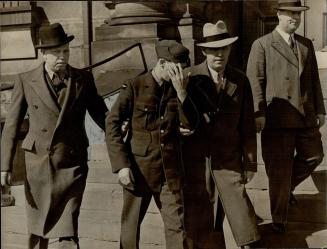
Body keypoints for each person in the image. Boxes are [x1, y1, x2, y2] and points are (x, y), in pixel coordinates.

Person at [0, 23, 108, 249]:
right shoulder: (25, 79)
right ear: (43, 53)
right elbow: (11, 125)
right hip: (38, 162)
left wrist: (120, 129)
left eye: (65, 51)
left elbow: (100, 113)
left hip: (72, 163)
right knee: (38, 228)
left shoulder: (83, 79)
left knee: (68, 224)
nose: (62, 56)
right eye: (56, 52)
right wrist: (4, 167)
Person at [105, 40, 198, 249]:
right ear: (162, 63)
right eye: (177, 69)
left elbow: (191, 123)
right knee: (131, 227)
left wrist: (182, 93)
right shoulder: (134, 86)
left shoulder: (181, 87)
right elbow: (112, 124)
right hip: (139, 169)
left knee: (177, 226)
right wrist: (121, 165)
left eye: (183, 70)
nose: (181, 75)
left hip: (170, 170)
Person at [246, 0, 326, 234]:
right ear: (279, 14)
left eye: (298, 14)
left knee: (315, 156)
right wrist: (258, 113)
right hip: (277, 118)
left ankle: (285, 188)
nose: (295, 18)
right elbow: (255, 81)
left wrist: (320, 109)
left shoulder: (306, 45)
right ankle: (279, 221)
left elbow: (313, 82)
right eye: (290, 14)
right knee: (278, 170)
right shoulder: (262, 45)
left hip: (305, 117)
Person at [184, 20, 261, 248]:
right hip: (199, 162)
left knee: (243, 217)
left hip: (230, 160)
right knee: (204, 219)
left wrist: (250, 164)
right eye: (214, 50)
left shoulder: (240, 80)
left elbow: (247, 126)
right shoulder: (190, 79)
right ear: (205, 51)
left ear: (229, 49)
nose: (219, 54)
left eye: (224, 48)